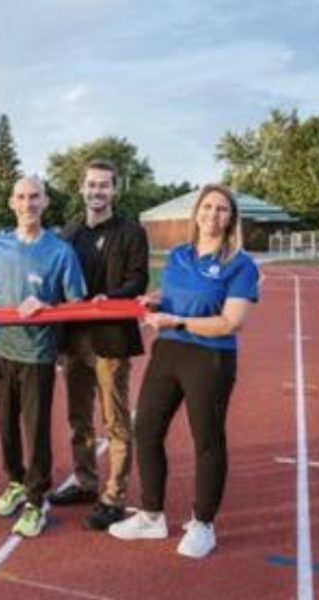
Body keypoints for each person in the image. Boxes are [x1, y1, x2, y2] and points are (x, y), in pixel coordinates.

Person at [108, 184, 259, 559]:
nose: (213, 215)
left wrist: (177, 320)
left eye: (222, 209)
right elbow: (171, 292)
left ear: (231, 218)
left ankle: (204, 524)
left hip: (209, 359)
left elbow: (229, 322)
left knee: (206, 440)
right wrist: (154, 299)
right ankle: (151, 515)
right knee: (146, 431)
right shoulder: (179, 255)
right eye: (207, 207)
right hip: (168, 353)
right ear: (196, 213)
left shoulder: (240, 265)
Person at [0, 175, 86, 538]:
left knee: (35, 430)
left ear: (45, 202)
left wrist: (47, 306)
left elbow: (77, 303)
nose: (27, 204)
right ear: (11, 203)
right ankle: (15, 483)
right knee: (5, 424)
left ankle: (37, 501)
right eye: (21, 197)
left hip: (37, 354)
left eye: (34, 196)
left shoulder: (60, 251)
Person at [49, 159, 149, 531]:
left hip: (111, 339)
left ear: (114, 190)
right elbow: (55, 283)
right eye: (91, 185)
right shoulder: (68, 233)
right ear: (81, 188)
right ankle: (86, 481)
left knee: (115, 419)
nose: (97, 191)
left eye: (104, 185)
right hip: (73, 340)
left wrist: (107, 300)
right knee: (79, 418)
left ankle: (114, 495)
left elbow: (138, 280)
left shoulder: (131, 232)